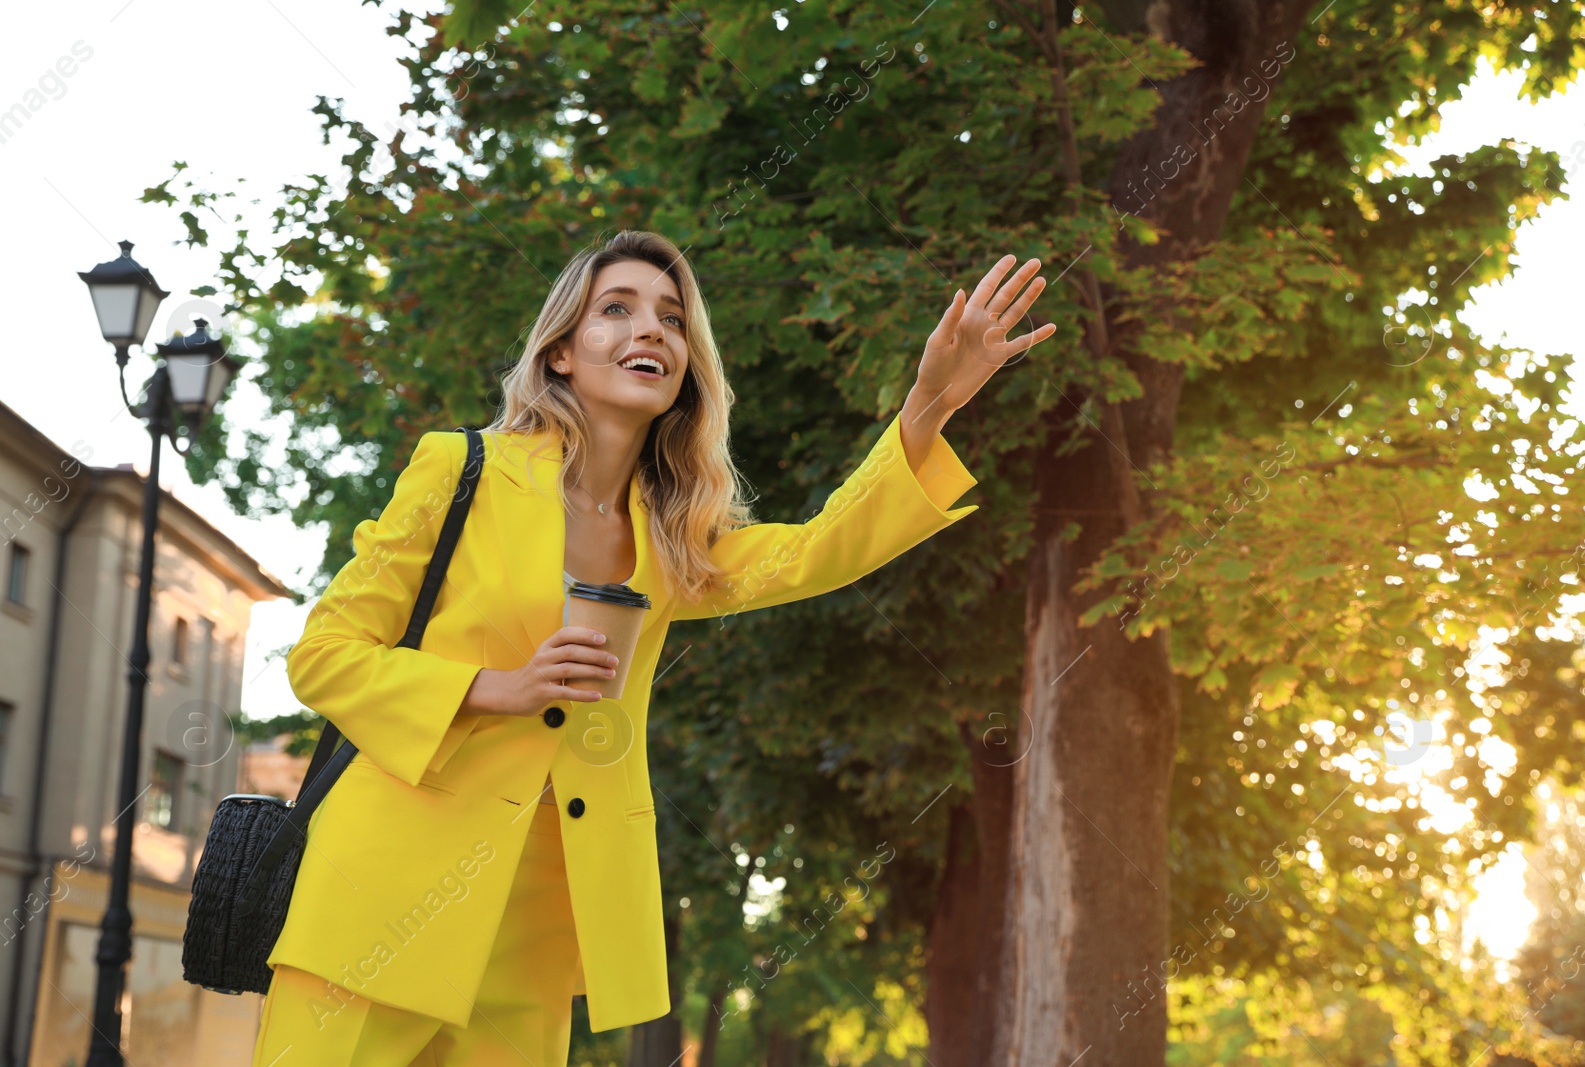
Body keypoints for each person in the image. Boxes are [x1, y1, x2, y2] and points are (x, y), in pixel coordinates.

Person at [251, 230, 1055, 1065]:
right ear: (561, 352)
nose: (651, 331)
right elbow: (325, 653)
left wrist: (931, 404)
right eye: (617, 310)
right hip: (377, 906)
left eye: (673, 319)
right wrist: (496, 686)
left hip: (535, 932)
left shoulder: (673, 540)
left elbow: (817, 549)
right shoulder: (464, 471)